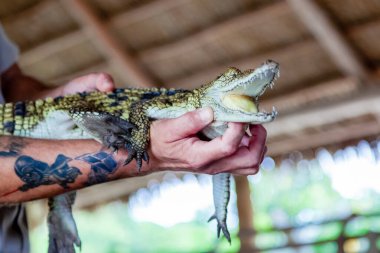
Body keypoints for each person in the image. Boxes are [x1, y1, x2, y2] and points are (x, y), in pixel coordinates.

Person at [0, 24, 267, 252]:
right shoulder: (185, 103)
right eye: (233, 76)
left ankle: (60, 211)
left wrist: (55, 96)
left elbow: (11, 79)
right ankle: (60, 211)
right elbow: (141, 115)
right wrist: (152, 152)